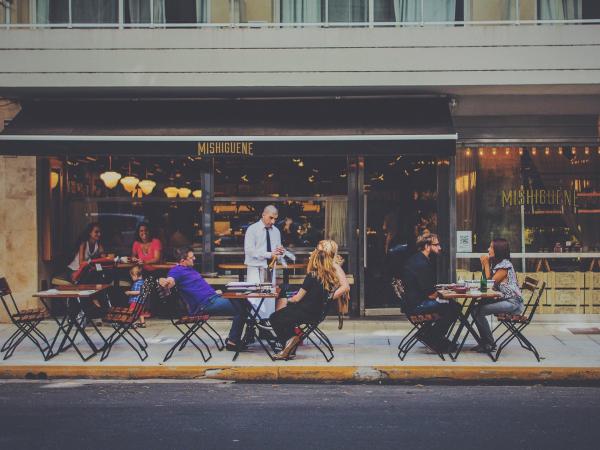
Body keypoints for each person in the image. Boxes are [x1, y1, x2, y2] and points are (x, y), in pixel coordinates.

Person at [269, 240, 350, 360]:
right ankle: (289, 346)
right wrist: (326, 298)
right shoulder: (327, 272)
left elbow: (345, 287)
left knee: (276, 316)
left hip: (308, 311)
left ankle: (289, 341)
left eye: (317, 249)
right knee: (286, 313)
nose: (313, 251)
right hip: (317, 312)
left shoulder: (323, 270)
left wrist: (328, 297)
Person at [158, 247, 246, 351]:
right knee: (242, 308)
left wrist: (215, 292)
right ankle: (233, 341)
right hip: (205, 304)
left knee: (244, 301)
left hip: (213, 298)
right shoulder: (177, 270)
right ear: (183, 261)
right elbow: (170, 280)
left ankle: (242, 337)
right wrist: (164, 281)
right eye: (191, 257)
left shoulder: (190, 269)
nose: (194, 258)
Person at [402, 232, 461, 353]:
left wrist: (444, 291)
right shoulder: (421, 264)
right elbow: (430, 294)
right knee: (453, 308)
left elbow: (428, 289)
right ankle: (432, 338)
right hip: (417, 305)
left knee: (451, 306)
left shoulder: (418, 259)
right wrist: (448, 293)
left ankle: (429, 335)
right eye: (436, 245)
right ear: (427, 246)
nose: (440, 247)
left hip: (413, 302)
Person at [471, 238, 524, 353]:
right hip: (506, 300)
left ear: (498, 250)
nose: (488, 249)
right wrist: (485, 266)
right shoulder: (499, 264)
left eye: (491, 247)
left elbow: (488, 285)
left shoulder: (505, 266)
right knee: (475, 308)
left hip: (513, 303)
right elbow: (485, 284)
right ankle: (485, 342)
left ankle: (488, 343)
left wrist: (485, 264)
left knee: (477, 311)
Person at [244, 205, 285, 319]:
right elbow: (249, 251)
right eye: (271, 218)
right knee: (253, 297)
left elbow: (277, 250)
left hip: (269, 268)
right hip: (255, 268)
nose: (273, 221)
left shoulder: (276, 231)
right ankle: (251, 328)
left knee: (268, 299)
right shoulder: (252, 229)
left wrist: (281, 252)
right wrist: (269, 254)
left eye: (275, 219)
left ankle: (265, 327)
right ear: (263, 215)